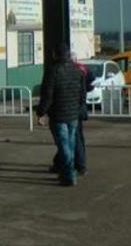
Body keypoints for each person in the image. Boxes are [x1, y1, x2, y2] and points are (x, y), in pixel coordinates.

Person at [36, 43, 85, 187]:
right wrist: (79, 108)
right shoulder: (77, 71)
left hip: (58, 115)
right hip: (73, 114)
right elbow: (82, 93)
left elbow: (47, 95)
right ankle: (66, 173)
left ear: (55, 54)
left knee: (64, 146)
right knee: (70, 144)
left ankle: (70, 175)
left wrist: (41, 112)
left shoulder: (53, 71)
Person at [69, 52, 94, 175]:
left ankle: (79, 165)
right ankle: (63, 162)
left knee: (71, 137)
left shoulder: (70, 72)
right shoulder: (83, 69)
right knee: (76, 136)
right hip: (79, 108)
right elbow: (92, 80)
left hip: (70, 110)